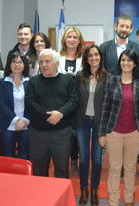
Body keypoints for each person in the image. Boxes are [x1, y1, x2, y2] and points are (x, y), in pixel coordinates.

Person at [98, 49, 139, 206]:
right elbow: (105, 108)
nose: (126, 63)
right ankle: (113, 201)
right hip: (114, 132)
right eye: (123, 60)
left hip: (135, 132)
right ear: (120, 62)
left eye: (129, 60)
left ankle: (129, 199)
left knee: (131, 168)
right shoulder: (111, 81)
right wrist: (102, 133)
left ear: (134, 64)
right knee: (115, 168)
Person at [25, 49, 79, 178]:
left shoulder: (68, 80)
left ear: (56, 63)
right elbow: (30, 103)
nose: (44, 65)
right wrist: (49, 115)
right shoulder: (33, 81)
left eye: (47, 61)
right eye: (41, 62)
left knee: (61, 171)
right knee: (38, 172)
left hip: (61, 134)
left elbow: (74, 100)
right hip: (38, 135)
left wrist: (60, 113)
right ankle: (40, 198)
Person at [74, 45, 108, 206]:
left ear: (100, 57)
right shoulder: (79, 76)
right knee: (84, 158)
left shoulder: (108, 77)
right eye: (90, 55)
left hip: (100, 122)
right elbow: (74, 99)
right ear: (86, 59)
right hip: (82, 121)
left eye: (96, 55)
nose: (93, 58)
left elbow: (109, 103)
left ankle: (94, 189)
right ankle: (83, 189)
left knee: (97, 159)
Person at [58, 26, 84, 174]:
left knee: (76, 133)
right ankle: (61, 161)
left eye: (75, 37)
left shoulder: (83, 57)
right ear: (65, 39)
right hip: (61, 101)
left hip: (79, 102)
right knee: (62, 133)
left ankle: (74, 160)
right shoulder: (57, 56)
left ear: (79, 40)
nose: (72, 40)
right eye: (69, 37)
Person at [0, 52, 30, 159]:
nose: (17, 64)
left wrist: (24, 120)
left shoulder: (30, 82)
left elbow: (32, 103)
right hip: (8, 124)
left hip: (25, 124)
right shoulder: (3, 82)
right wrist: (15, 120)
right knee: (8, 156)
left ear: (25, 65)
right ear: (9, 65)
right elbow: (1, 104)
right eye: (14, 62)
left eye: (20, 62)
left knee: (24, 155)